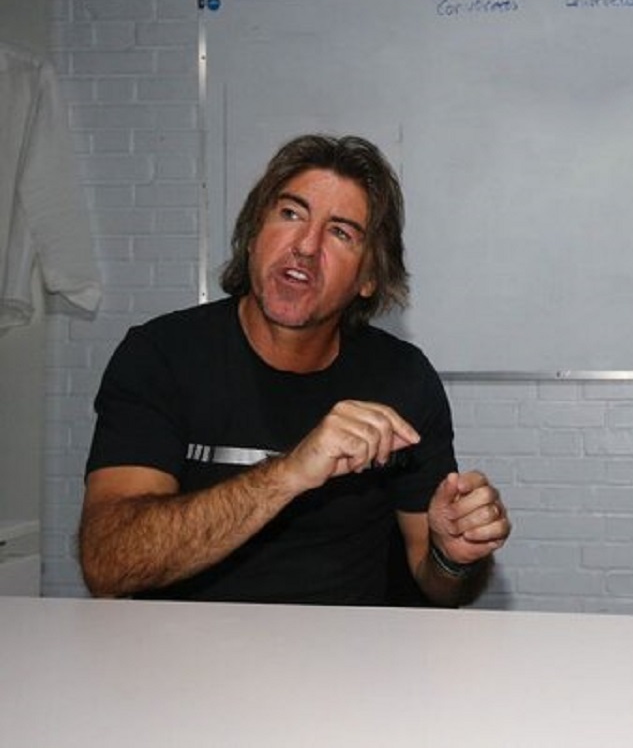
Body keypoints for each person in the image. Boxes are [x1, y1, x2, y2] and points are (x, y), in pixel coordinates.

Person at [78, 134, 510, 606]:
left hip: (346, 646)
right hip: (185, 644)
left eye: (341, 233)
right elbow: (108, 562)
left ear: (369, 278)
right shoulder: (161, 355)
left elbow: (438, 583)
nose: (305, 245)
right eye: (290, 214)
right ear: (253, 235)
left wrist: (453, 557)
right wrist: (288, 473)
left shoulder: (402, 378)